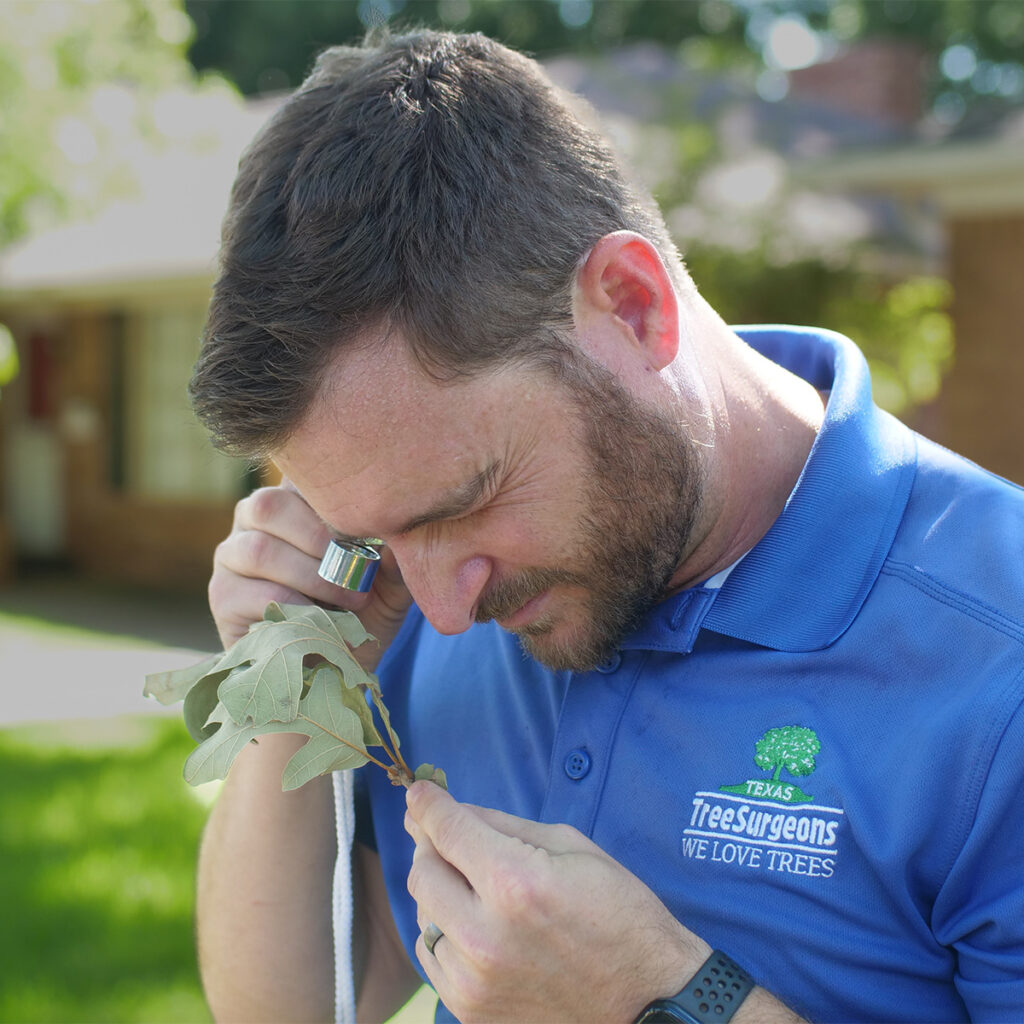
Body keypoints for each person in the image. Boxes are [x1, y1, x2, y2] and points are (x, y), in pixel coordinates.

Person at [188, 28, 1024, 1024]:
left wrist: (662, 1001)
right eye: (376, 532)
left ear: (630, 306)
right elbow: (295, 1008)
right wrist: (295, 691)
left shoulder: (995, 656)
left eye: (462, 503)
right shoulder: (414, 595)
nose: (443, 613)